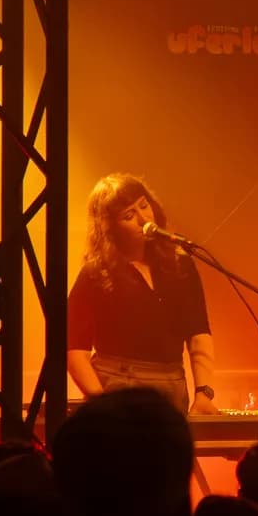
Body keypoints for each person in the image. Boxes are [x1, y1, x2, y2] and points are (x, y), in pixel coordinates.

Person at [64, 173, 219, 414]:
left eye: (144, 206)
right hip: (118, 384)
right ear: (109, 227)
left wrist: (204, 393)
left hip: (172, 385)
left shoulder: (180, 265)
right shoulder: (95, 273)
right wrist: (101, 402)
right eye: (128, 216)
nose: (143, 219)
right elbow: (74, 350)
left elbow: (199, 333)